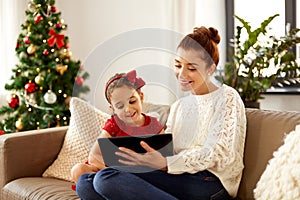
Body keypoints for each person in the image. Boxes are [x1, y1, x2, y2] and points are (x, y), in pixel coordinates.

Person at [76, 26, 247, 200]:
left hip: (209, 182)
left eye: (192, 68)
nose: (182, 73)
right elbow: (168, 149)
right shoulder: (179, 106)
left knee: (105, 179)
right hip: (177, 175)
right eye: (178, 65)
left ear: (210, 68)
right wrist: (148, 158)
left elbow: (219, 153)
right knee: (85, 183)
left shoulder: (227, 97)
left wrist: (166, 163)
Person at [70, 70, 164, 183]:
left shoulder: (154, 125)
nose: (128, 109)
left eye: (132, 101)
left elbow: (164, 159)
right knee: (78, 170)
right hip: (111, 172)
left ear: (141, 97)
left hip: (142, 174)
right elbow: (94, 157)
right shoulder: (114, 125)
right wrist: (111, 173)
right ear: (113, 109)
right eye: (120, 106)